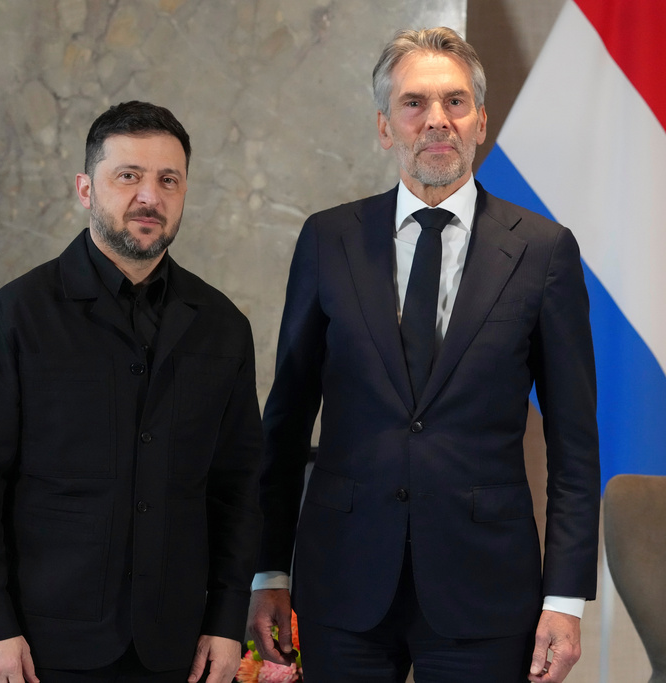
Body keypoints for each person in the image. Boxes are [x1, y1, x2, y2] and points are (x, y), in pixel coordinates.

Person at [248, 28, 599, 683]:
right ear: (385, 127)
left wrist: (564, 595)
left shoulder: (545, 252)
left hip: (486, 589)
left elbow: (575, 442)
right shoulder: (329, 239)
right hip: (341, 582)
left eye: (456, 101)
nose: (437, 119)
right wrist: (268, 568)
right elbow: (287, 418)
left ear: (481, 121)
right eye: (414, 103)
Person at [0, 101, 263, 683]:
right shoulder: (13, 318)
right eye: (128, 176)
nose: (150, 196)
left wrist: (225, 617)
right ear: (86, 189)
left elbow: (237, 488)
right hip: (40, 647)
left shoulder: (223, 326)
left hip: (178, 648)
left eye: (169, 180)